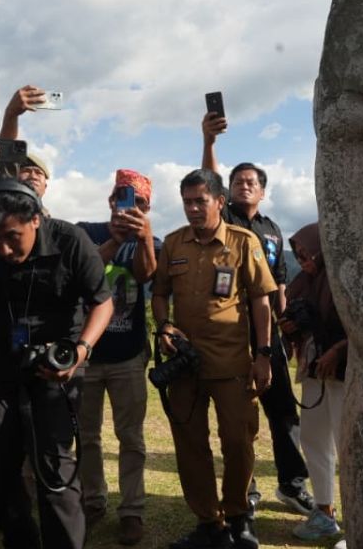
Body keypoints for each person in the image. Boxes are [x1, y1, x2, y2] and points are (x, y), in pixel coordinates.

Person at [0, 180, 113, 549]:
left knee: (54, 472)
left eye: (12, 236)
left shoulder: (72, 241)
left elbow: (103, 302)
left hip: (56, 368)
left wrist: (81, 351)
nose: (3, 248)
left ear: (35, 219)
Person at [152, 169, 276, 549]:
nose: (192, 208)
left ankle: (239, 517)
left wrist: (265, 354)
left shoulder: (243, 241)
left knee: (238, 442)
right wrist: (165, 325)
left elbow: (261, 300)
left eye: (199, 201)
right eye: (187, 201)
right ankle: (209, 523)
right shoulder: (173, 244)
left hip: (231, 364)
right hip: (185, 366)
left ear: (219, 201)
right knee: (190, 445)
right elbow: (159, 294)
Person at [201, 114, 313, 517]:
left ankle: (292, 485)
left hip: (271, 336)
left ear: (262, 191)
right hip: (231, 333)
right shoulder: (224, 218)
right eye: (237, 181)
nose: (243, 185)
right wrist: (209, 141)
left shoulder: (271, 229)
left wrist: (287, 327)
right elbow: (208, 179)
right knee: (238, 415)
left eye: (251, 182)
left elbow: (279, 282)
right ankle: (245, 488)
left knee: (283, 412)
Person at [75, 169, 160, 545]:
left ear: (148, 207)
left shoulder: (149, 239)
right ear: (111, 200)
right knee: (87, 436)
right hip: (88, 354)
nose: (130, 207)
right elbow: (83, 272)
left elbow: (145, 275)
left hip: (128, 355)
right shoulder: (85, 232)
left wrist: (142, 238)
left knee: (131, 438)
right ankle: (93, 502)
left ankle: (132, 510)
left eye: (138, 202)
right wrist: (113, 240)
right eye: (123, 198)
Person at [280, 224, 347, 542]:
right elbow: (295, 319)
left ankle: (359, 517)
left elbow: (359, 326)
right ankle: (324, 511)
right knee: (313, 439)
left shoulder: (344, 280)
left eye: (307, 253)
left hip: (344, 373)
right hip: (314, 372)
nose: (303, 259)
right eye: (298, 254)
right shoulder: (302, 283)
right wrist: (292, 326)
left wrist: (338, 349)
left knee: (347, 445)